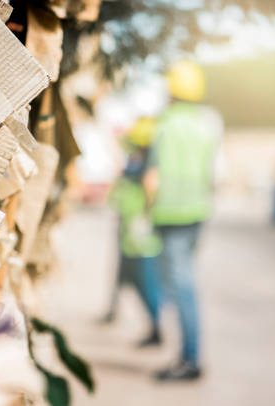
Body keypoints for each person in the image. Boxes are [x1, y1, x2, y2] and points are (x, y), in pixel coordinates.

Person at [143, 60, 222, 381]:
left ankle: (190, 360)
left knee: (181, 286)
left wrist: (147, 211)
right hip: (197, 214)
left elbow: (152, 178)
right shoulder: (207, 125)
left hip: (170, 216)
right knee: (182, 283)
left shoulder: (164, 125)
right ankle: (182, 350)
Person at [102, 117, 163, 347]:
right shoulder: (138, 156)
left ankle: (156, 328)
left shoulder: (147, 163)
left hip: (139, 233)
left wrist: (145, 217)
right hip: (131, 228)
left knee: (146, 282)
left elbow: (150, 186)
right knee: (133, 280)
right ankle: (152, 327)